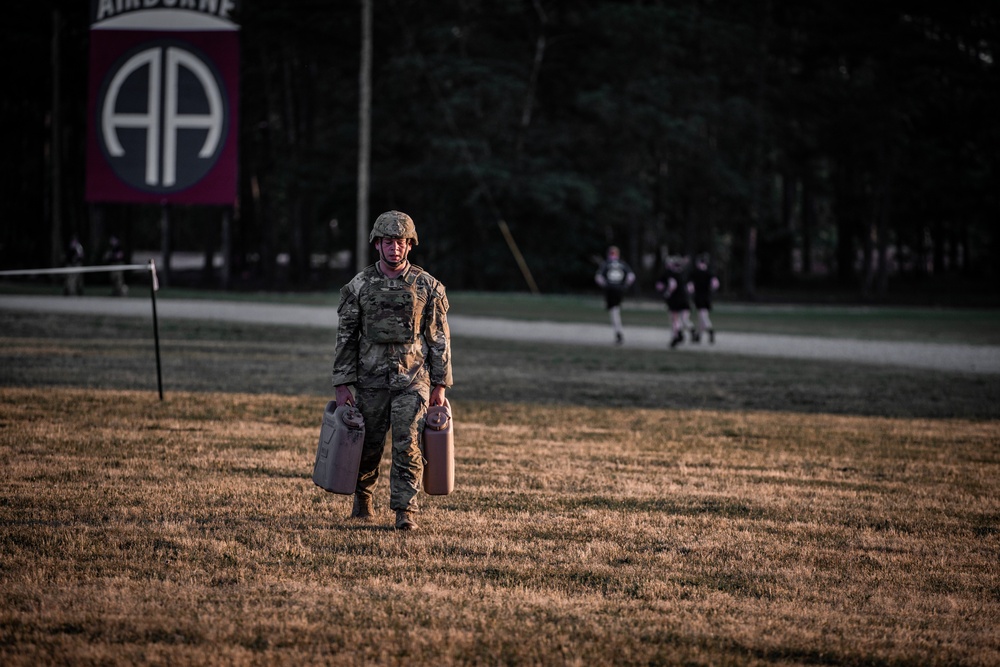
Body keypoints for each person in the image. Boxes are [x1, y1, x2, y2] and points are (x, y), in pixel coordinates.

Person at [331, 210, 453, 531]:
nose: (394, 248)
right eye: (388, 242)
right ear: (377, 245)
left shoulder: (428, 287)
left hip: (413, 381)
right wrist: (342, 383)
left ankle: (405, 511)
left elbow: (438, 338)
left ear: (410, 245)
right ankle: (363, 497)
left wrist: (440, 385)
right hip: (370, 381)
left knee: (408, 443)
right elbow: (346, 336)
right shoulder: (360, 286)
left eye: (400, 242)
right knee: (368, 444)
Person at [594, 245, 636, 344]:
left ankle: (618, 332)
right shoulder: (622, 264)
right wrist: (625, 285)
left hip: (611, 289)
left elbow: (598, 278)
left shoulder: (606, 264)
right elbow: (631, 277)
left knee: (614, 310)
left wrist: (606, 285)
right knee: (615, 309)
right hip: (619, 289)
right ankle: (618, 331)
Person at [655, 255, 691, 348]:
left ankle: (677, 334)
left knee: (674, 319)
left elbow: (671, 285)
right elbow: (689, 288)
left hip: (674, 299)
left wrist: (667, 293)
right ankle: (681, 332)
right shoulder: (682, 274)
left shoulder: (669, 274)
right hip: (684, 298)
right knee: (682, 318)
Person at [686, 253, 719, 343]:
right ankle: (698, 336)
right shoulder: (710, 272)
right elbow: (715, 284)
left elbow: (690, 287)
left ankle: (710, 330)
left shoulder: (694, 273)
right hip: (707, 296)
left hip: (699, 296)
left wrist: (690, 293)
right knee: (702, 316)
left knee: (702, 316)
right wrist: (710, 290)